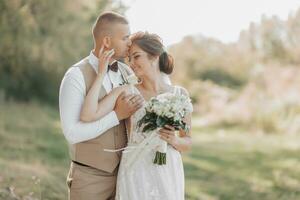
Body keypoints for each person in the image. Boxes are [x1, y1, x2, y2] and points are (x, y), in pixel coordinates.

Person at [80, 32, 193, 200]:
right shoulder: (126, 91)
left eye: (136, 57)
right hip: (135, 168)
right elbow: (88, 114)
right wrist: (101, 73)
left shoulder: (180, 94)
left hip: (168, 168)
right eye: (128, 59)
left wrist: (174, 140)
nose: (131, 64)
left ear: (154, 56)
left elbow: (187, 141)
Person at [59, 11, 143, 200]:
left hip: (124, 176)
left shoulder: (125, 71)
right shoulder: (75, 76)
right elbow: (72, 133)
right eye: (125, 38)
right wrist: (116, 116)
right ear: (106, 41)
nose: (130, 43)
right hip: (90, 179)